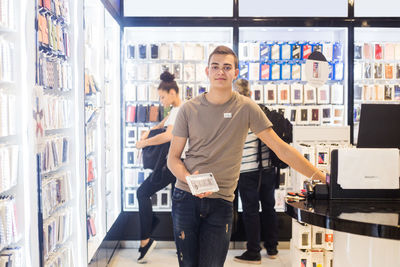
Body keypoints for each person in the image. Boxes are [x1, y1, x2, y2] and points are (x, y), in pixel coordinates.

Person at [167, 45, 325, 267]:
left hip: (222, 201)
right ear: (207, 71)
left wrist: (320, 176)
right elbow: (172, 158)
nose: (220, 71)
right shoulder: (188, 109)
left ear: (235, 72)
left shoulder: (247, 108)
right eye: (215, 66)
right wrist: (189, 179)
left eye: (227, 67)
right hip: (185, 198)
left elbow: (281, 148)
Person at [135, 71, 182, 263]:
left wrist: (144, 144)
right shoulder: (177, 110)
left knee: (142, 193)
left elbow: (168, 135)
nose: (161, 100)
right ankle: (181, 245)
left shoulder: (179, 111)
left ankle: (146, 240)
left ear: (172, 93)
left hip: (170, 165)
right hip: (174, 164)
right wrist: (149, 132)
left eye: (162, 96)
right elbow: (161, 126)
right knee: (177, 206)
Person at [233, 78, 279, 265]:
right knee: (269, 207)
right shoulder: (261, 110)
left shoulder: (238, 113)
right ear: (250, 93)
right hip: (267, 168)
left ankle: (253, 251)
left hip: (247, 169)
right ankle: (272, 248)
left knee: (251, 210)